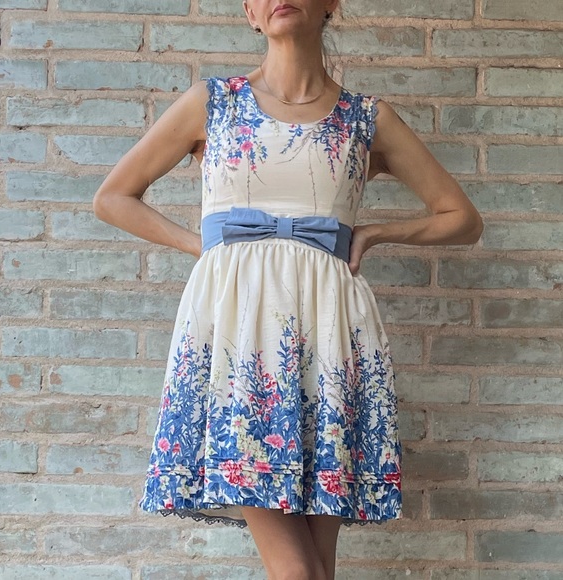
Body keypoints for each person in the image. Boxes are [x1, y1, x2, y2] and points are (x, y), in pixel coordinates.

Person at [93, 1, 484, 578]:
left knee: (316, 570)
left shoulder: (366, 118)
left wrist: (377, 232)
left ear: (332, 4)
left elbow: (462, 218)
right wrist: (203, 248)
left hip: (331, 339)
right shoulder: (213, 102)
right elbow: (113, 197)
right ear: (250, 13)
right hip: (236, 342)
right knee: (300, 573)